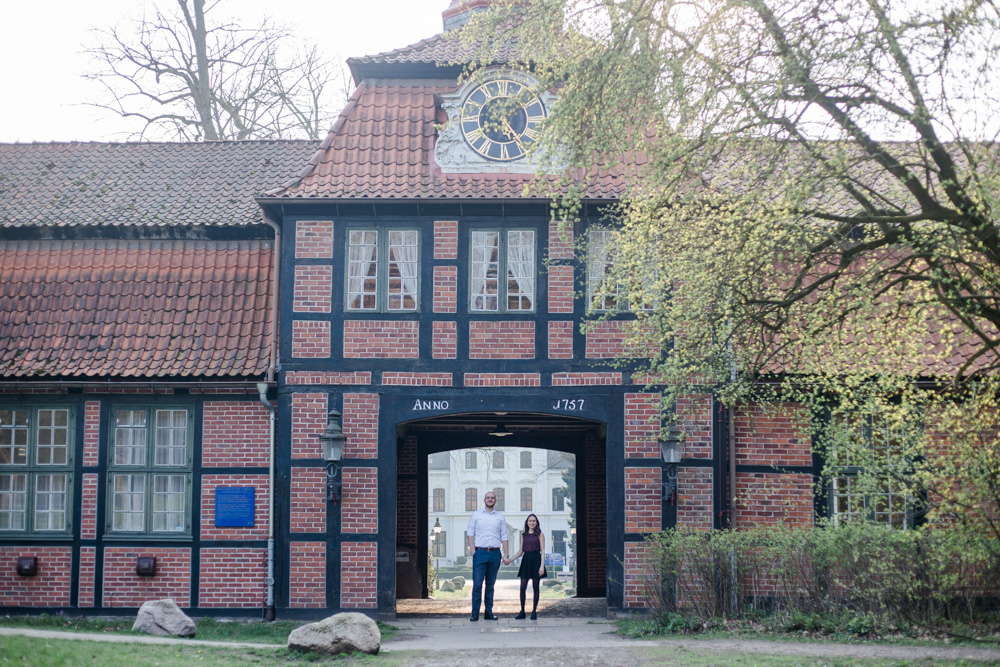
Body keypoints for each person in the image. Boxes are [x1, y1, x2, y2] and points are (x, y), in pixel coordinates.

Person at [465, 490, 509, 621]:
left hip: (495, 553)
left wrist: (506, 554)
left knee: (490, 585)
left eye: (492, 498)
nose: (490, 499)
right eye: (488, 498)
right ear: (484, 500)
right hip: (480, 552)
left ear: (495, 501)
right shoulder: (476, 515)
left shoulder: (500, 517)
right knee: (477, 584)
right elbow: (470, 534)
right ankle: (475, 613)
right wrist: (474, 552)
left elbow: (504, 536)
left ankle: (488, 612)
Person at [504, 513, 546, 620]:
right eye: (530, 521)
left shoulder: (540, 534)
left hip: (536, 559)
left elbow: (543, 551)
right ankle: (522, 611)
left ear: (536, 523)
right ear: (527, 522)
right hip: (526, 560)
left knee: (535, 587)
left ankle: (534, 612)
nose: (532, 523)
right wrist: (510, 560)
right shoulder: (523, 534)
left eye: (534, 521)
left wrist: (542, 567)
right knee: (522, 588)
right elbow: (520, 551)